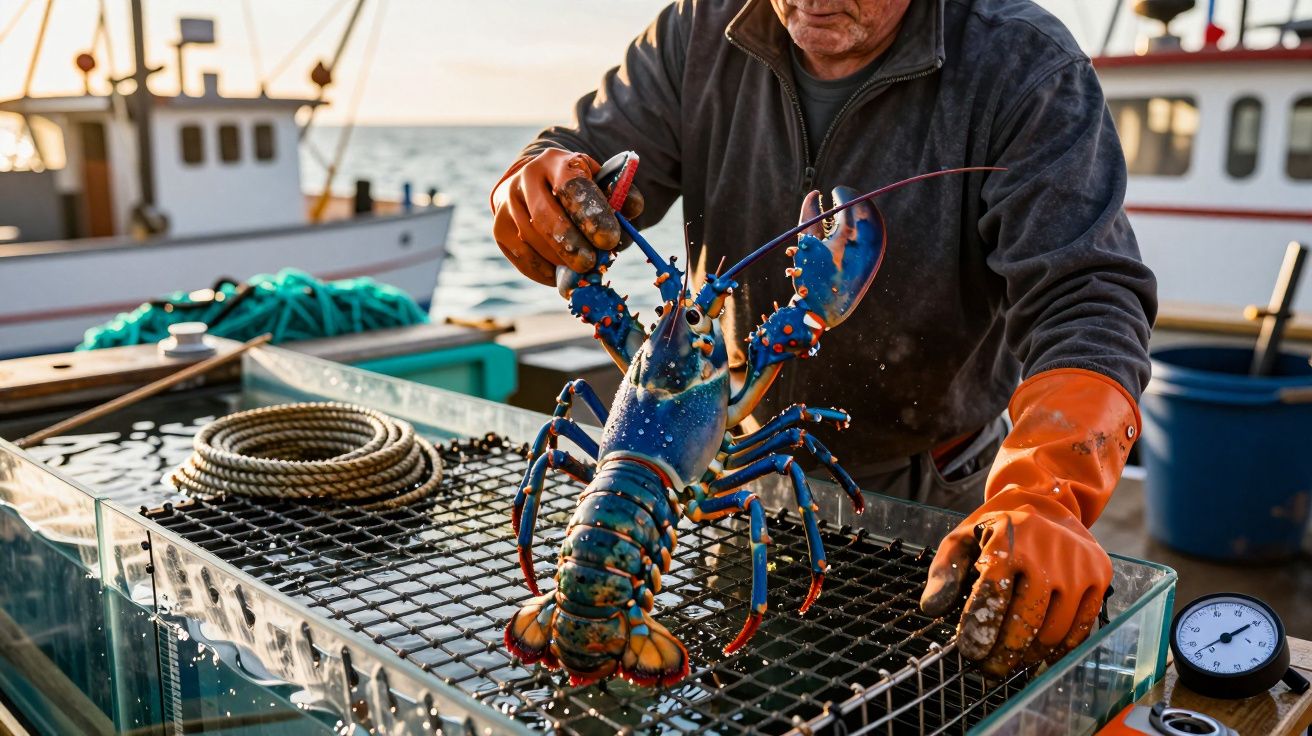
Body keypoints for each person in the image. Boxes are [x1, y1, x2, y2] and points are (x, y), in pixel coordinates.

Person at [490, 0, 1155, 678]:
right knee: (741, 692)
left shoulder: (1025, 66)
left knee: (926, 702)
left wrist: (1047, 489)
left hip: (937, 503)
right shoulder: (699, 28)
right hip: (738, 491)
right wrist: (537, 183)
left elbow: (1088, 298)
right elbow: (578, 158)